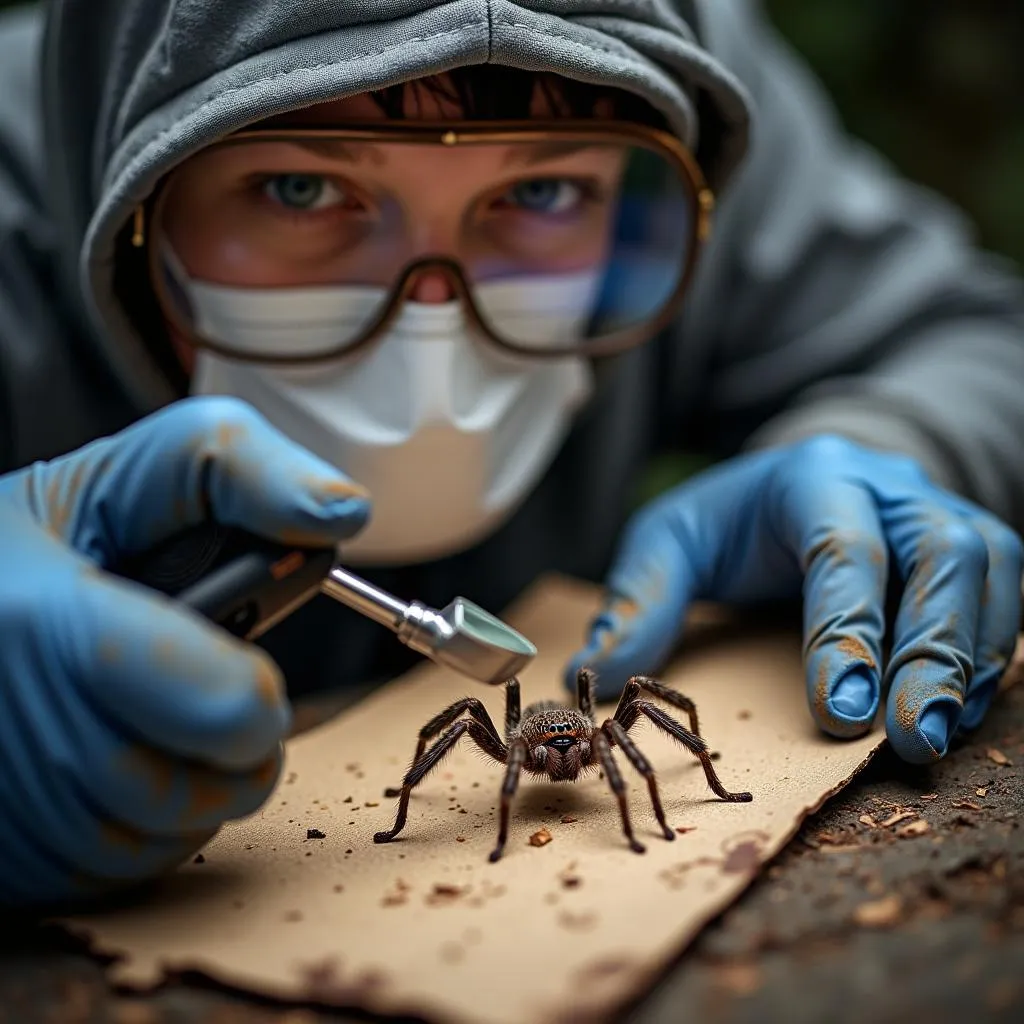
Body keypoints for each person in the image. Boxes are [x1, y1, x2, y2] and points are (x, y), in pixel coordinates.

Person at [1, 0, 1022, 909]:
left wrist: (897, 440)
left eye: (541, 195)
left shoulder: (684, 81)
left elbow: (969, 336)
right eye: (299, 189)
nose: (431, 341)